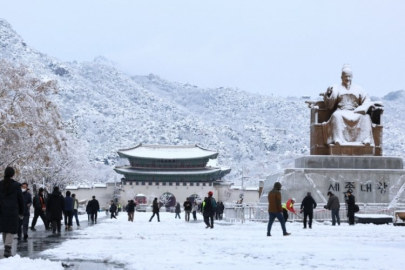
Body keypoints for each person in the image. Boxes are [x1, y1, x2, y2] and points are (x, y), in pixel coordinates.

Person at [322, 64, 382, 146]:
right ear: (341, 77)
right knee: (336, 116)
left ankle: (366, 139)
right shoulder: (336, 88)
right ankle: (338, 139)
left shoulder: (358, 89)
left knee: (366, 117)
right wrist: (329, 94)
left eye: (349, 76)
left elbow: (366, 99)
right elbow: (330, 103)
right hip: (342, 111)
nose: (347, 78)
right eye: (345, 76)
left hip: (355, 112)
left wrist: (367, 106)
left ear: (352, 77)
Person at [0, 167, 24, 258]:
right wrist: (21, 212)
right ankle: (8, 249)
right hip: (13, 211)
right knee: (11, 230)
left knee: (4, 229)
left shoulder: (0, 185)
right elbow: (20, 200)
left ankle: (6, 247)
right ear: (13, 175)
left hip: (2, 211)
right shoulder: (16, 186)